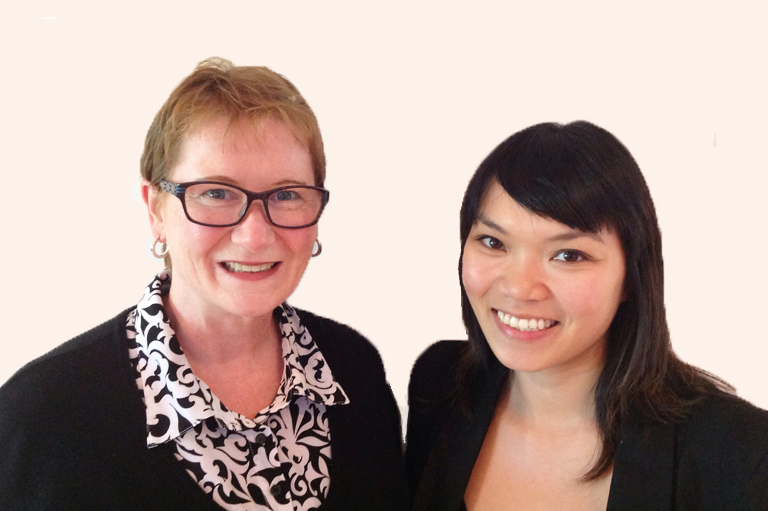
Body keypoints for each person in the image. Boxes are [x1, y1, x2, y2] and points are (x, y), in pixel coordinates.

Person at [0, 58, 407, 510]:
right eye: (216, 192)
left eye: (287, 194)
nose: (254, 234)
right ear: (155, 208)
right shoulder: (46, 415)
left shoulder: (354, 370)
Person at [405, 121, 768, 511]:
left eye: (569, 255)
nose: (519, 288)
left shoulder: (740, 452)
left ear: (631, 275)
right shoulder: (440, 385)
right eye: (493, 242)